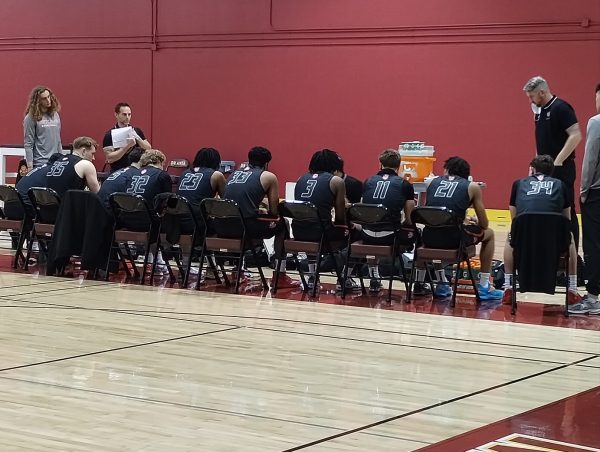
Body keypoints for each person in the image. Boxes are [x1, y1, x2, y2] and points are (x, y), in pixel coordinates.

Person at [501, 155, 583, 308]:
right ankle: (572, 289)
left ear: (532, 169)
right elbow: (566, 219)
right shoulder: (560, 184)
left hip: (525, 236)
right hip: (552, 239)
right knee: (570, 237)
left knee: (509, 237)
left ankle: (508, 288)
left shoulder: (518, 184)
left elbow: (515, 217)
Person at [422, 156, 503, 300]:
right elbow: (484, 225)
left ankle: (442, 283)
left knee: (437, 227)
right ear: (467, 174)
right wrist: (473, 221)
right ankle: (484, 286)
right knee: (489, 234)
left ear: (446, 170)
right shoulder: (472, 186)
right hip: (454, 240)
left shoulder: (432, 182)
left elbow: (438, 211)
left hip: (428, 238)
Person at [222, 146, 297, 289]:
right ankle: (280, 274)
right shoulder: (268, 176)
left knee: (242, 221)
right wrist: (263, 209)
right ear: (267, 163)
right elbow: (274, 212)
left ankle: (238, 271)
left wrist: (256, 209)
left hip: (223, 226)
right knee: (283, 223)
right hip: (244, 228)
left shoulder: (233, 174)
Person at [523, 76, 582, 250]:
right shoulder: (538, 112)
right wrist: (534, 163)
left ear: (542, 92)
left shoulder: (561, 108)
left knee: (567, 209)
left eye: (532, 96)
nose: (530, 100)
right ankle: (551, 251)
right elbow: (540, 141)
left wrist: (557, 162)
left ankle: (572, 255)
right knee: (544, 207)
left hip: (561, 169)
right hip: (543, 169)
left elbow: (576, 135)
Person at [294, 149, 350, 291]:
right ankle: (345, 278)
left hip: (298, 232)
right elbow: (340, 218)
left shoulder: (301, 178)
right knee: (356, 233)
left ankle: (313, 276)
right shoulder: (336, 181)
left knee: (310, 226)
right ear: (334, 165)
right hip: (322, 234)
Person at [361, 149, 416, 293]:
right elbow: (410, 219)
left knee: (370, 227)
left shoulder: (367, 181)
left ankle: (374, 277)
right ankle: (420, 282)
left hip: (366, 234)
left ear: (380, 164)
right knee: (419, 233)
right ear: (399, 166)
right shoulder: (405, 184)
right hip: (390, 236)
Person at [576, 83, 600, 314]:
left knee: (593, 245)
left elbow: (590, 160)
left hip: (597, 193)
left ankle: (592, 297)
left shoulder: (596, 122)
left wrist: (583, 191)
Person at [103, 102, 151, 173]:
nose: (127, 117)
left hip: (137, 170)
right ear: (116, 115)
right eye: (124, 114)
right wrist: (127, 146)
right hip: (119, 171)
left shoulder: (137, 131)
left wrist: (137, 137)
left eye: (129, 114)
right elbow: (110, 158)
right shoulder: (109, 134)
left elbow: (148, 149)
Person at [23, 85, 62, 169]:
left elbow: (58, 140)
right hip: (40, 162)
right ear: (38, 101)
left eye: (49, 97)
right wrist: (30, 166)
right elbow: (28, 143)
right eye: (44, 98)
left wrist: (61, 159)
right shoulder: (30, 118)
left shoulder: (55, 115)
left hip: (55, 161)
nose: (48, 100)